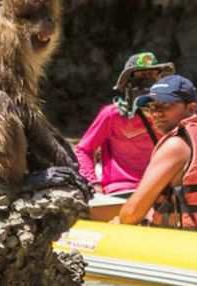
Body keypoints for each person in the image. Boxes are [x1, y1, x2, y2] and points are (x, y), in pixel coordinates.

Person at [118, 75, 197, 235]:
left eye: (165, 106)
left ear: (192, 108)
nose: (156, 114)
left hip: (185, 245)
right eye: (152, 107)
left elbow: (130, 215)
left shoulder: (176, 145)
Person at [75, 52, 174, 194]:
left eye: (153, 76)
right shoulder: (113, 115)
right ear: (128, 85)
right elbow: (83, 150)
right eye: (140, 77)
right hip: (122, 190)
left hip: (161, 190)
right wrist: (93, 184)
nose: (148, 83)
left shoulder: (170, 113)